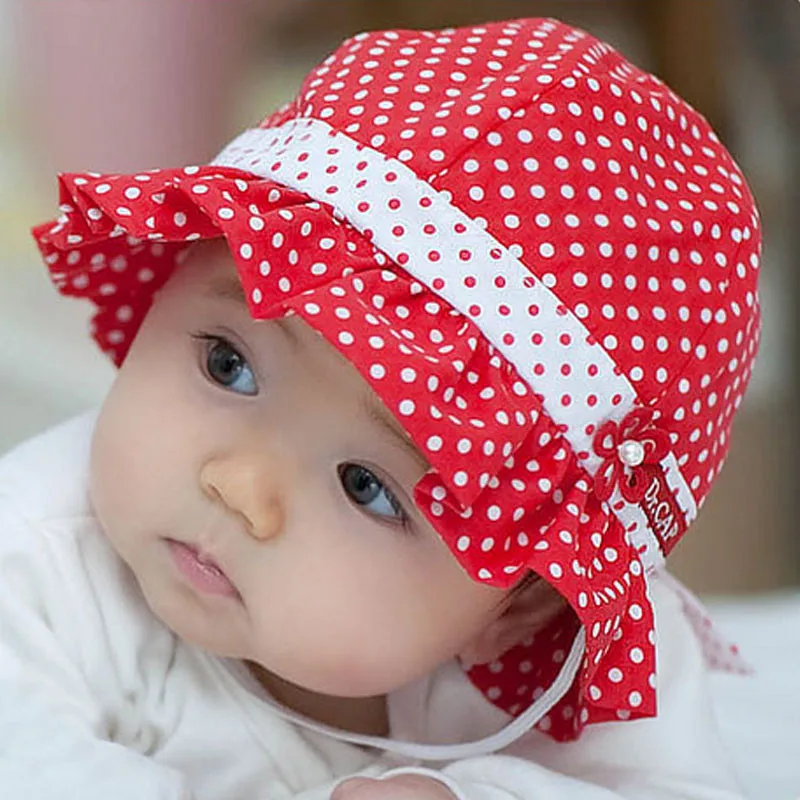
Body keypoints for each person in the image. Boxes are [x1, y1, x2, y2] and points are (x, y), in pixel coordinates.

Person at [2, 16, 760, 799]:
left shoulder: (558, 687)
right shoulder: (39, 556)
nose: (239, 487)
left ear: (528, 601)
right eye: (228, 365)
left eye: (366, 485)